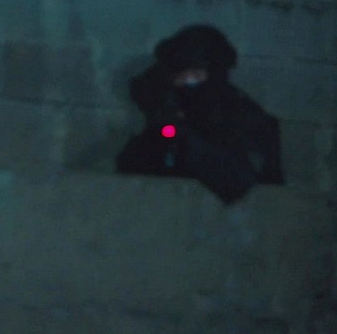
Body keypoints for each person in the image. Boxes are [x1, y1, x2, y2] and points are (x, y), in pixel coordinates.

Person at [116, 25, 283, 203]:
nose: (188, 83)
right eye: (181, 76)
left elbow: (244, 183)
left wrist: (188, 138)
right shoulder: (168, 116)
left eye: (196, 75)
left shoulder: (246, 118)